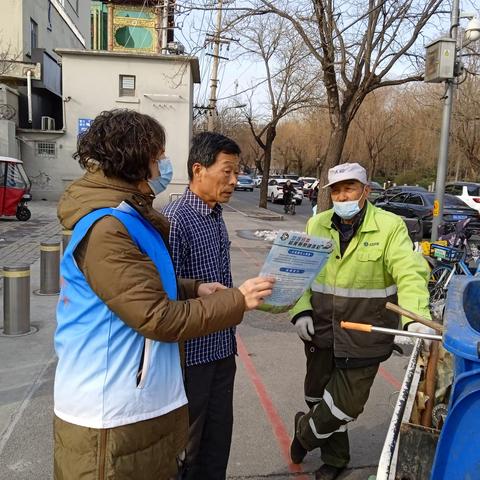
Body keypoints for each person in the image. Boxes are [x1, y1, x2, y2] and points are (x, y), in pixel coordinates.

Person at [53, 110, 274, 480]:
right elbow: (156, 315)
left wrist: (196, 287)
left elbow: (148, 282)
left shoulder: (131, 217)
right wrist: (238, 300)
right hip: (107, 408)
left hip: (137, 397)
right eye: (158, 156)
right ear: (135, 160)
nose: (163, 165)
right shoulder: (108, 227)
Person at [289, 162, 433, 480]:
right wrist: (299, 310)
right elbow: (299, 274)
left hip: (365, 335)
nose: (343, 196)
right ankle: (336, 459)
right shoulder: (317, 225)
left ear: (366, 191)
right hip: (321, 331)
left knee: (344, 406)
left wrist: (415, 317)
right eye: (337, 190)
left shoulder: (389, 227)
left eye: (350, 188)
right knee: (317, 396)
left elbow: (410, 271)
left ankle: (304, 434)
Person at [162, 132, 241, 479]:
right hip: (192, 358)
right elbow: (167, 295)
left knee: (218, 440)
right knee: (189, 450)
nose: (234, 181)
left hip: (223, 349)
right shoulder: (176, 219)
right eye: (227, 172)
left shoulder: (215, 215)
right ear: (199, 169)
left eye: (236, 172)